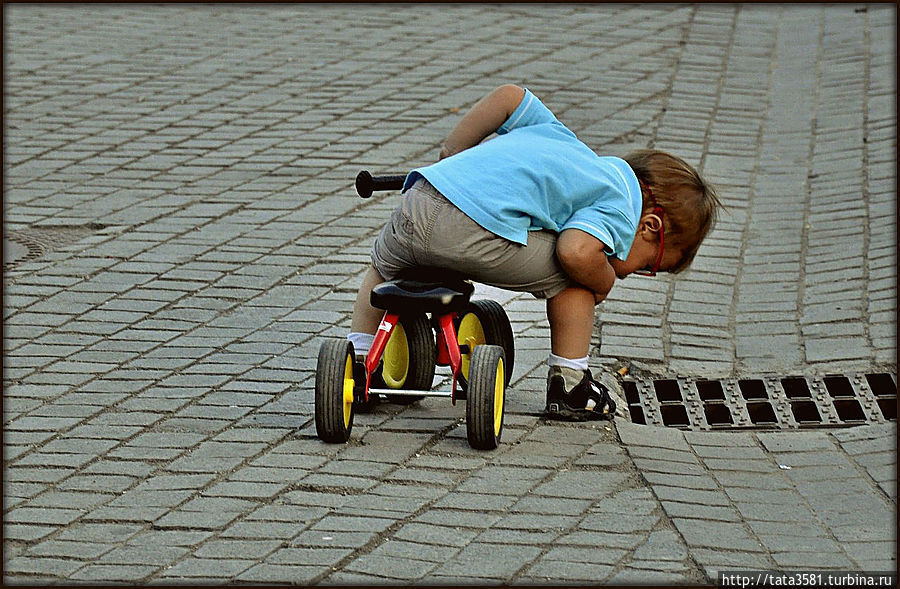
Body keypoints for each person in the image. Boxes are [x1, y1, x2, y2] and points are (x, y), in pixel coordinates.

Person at [347, 84, 722, 421]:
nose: (627, 273)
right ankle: (572, 384)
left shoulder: (560, 137)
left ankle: (359, 360)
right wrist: (602, 279)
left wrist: (451, 154)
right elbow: (576, 251)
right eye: (648, 267)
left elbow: (509, 97)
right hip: (472, 233)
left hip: (420, 199)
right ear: (650, 226)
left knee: (382, 268)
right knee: (576, 281)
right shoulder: (623, 201)